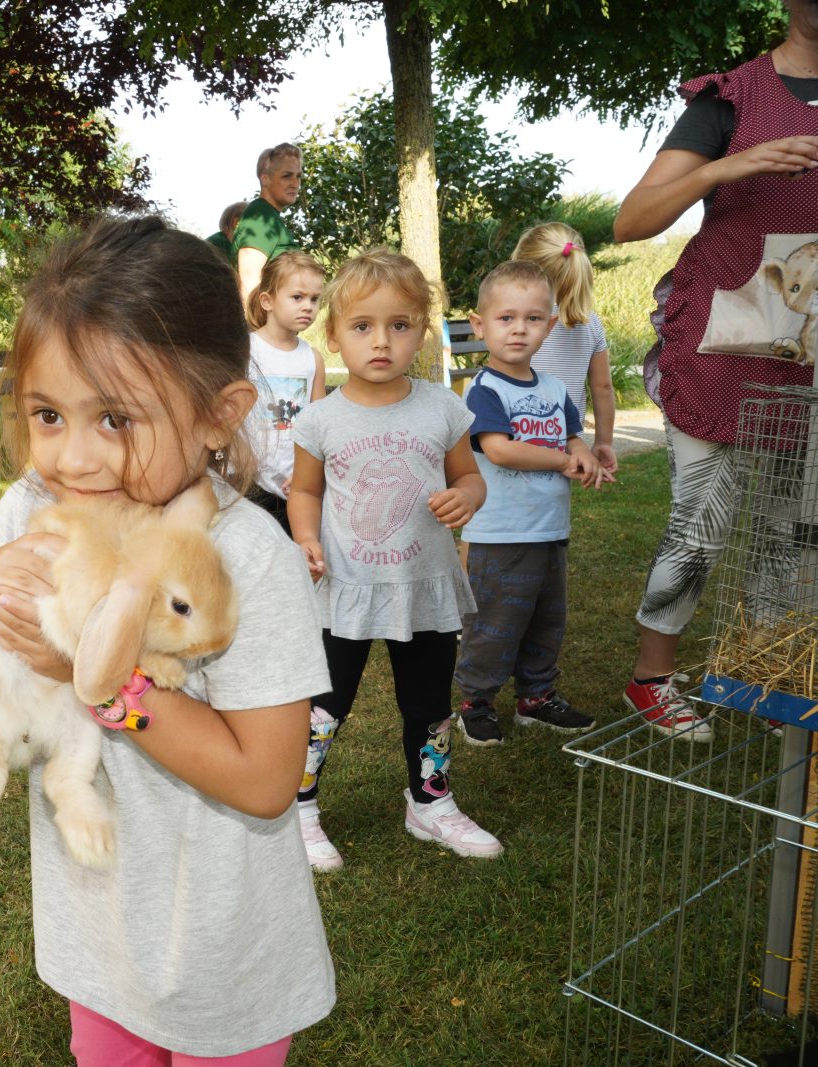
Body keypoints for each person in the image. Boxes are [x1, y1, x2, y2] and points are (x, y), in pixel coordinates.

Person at [0, 216, 334, 1064]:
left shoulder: (246, 558)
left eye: (115, 420)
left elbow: (266, 779)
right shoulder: (37, 504)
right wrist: (0, 595)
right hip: (98, 935)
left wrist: (101, 677)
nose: (73, 458)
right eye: (48, 414)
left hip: (225, 958)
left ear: (219, 415)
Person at [612, 0, 818, 740]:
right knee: (701, 523)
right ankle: (651, 680)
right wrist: (733, 165)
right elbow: (631, 221)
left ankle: (772, 678)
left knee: (795, 531)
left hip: (811, 350)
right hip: (722, 342)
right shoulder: (728, 100)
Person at [287, 247, 502, 871]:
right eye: (362, 326)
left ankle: (429, 802)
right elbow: (305, 490)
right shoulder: (321, 419)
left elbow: (470, 476)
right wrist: (305, 537)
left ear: (421, 332)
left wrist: (467, 497)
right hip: (346, 588)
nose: (381, 341)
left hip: (425, 584)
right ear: (334, 336)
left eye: (399, 325)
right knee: (324, 706)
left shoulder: (443, 407)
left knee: (429, 704)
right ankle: (297, 807)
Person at [452, 260, 609, 747]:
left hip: (549, 529)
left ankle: (536, 697)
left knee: (545, 620)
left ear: (550, 326)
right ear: (480, 325)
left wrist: (584, 454)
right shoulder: (484, 389)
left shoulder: (554, 388)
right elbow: (499, 449)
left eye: (533, 319)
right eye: (506, 318)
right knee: (494, 622)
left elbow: (573, 435)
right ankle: (475, 702)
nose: (519, 329)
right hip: (499, 534)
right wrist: (563, 460)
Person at [515, 222, 620, 478]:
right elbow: (603, 388)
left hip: (517, 435)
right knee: (554, 498)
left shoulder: (519, 318)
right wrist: (604, 442)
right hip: (564, 440)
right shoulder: (590, 322)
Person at [243, 251, 328, 533]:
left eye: (314, 299)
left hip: (298, 485)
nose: (308, 307)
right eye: (297, 297)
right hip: (251, 484)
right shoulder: (245, 351)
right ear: (267, 301)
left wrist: (310, 474)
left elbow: (319, 424)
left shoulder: (312, 359)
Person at [234, 142, 304, 305]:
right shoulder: (261, 216)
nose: (295, 183)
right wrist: (253, 322)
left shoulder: (270, 215)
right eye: (287, 176)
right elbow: (249, 281)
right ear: (265, 179)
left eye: (298, 176)